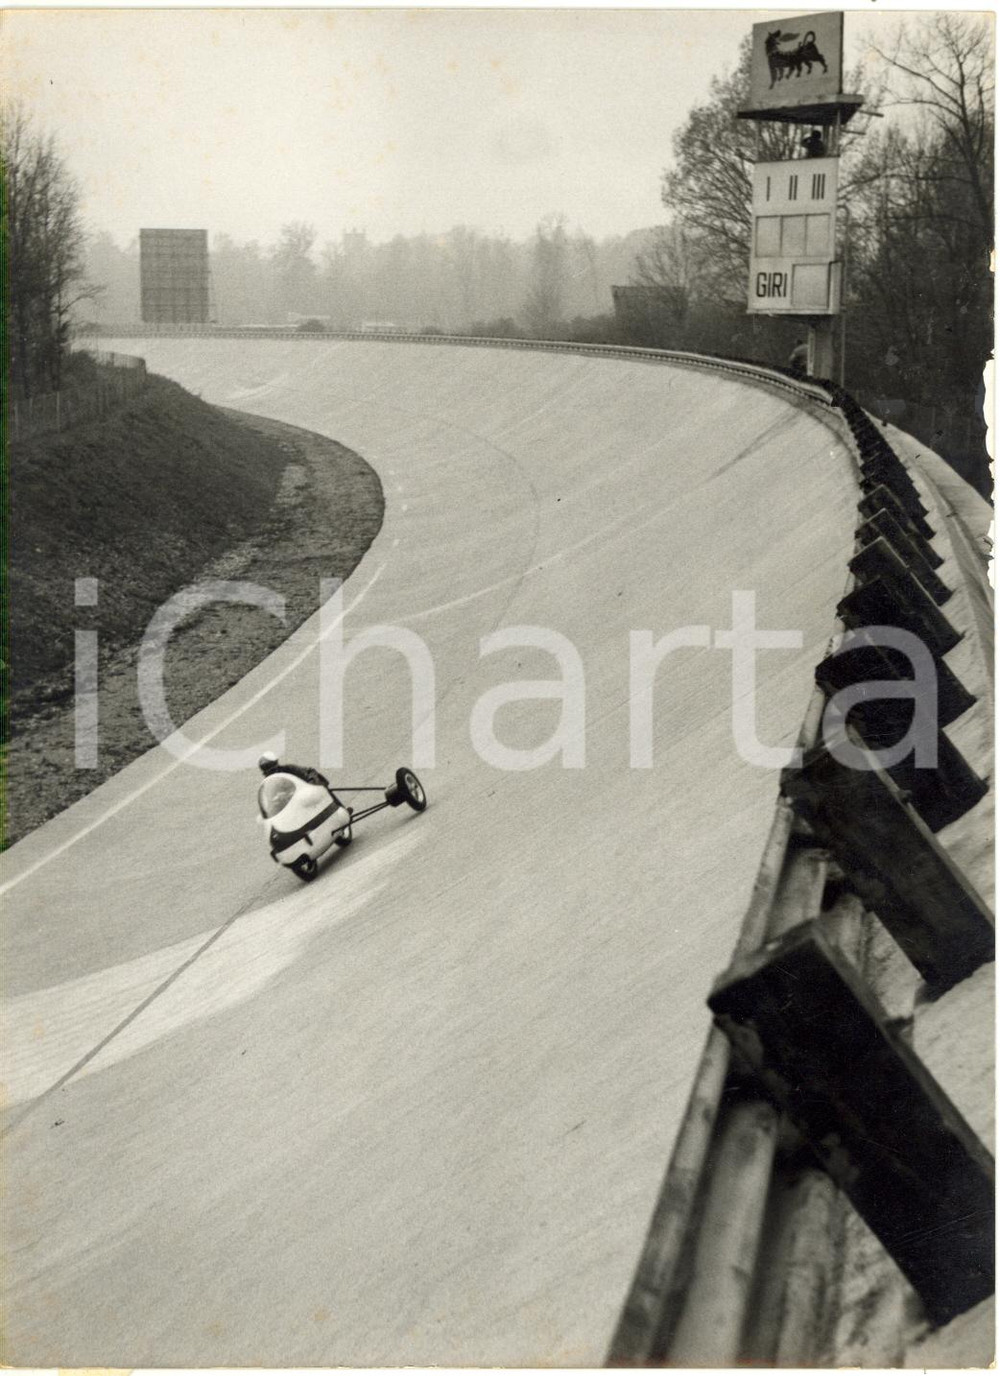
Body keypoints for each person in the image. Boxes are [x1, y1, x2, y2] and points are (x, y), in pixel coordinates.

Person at [258, 751, 330, 788]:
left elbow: (310, 772)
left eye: (273, 770)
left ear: (277, 766)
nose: (271, 774)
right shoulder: (269, 785)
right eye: (267, 773)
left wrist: (311, 785)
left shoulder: (289, 769)